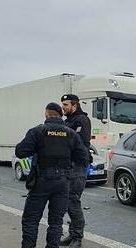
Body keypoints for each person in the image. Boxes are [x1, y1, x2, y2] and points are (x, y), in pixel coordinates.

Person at [16, 102, 88, 248]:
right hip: (62, 182)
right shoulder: (71, 133)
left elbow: (20, 152)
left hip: (41, 180)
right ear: (60, 114)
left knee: (31, 220)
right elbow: (83, 158)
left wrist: (37, 149)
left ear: (46, 114)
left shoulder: (37, 131)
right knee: (56, 222)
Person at [60, 94, 91, 248]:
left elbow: (80, 142)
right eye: (63, 105)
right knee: (67, 201)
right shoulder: (68, 121)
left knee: (73, 201)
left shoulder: (82, 120)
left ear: (75, 105)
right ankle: (73, 234)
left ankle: (77, 238)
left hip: (78, 166)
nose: (63, 108)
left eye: (66, 105)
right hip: (68, 166)